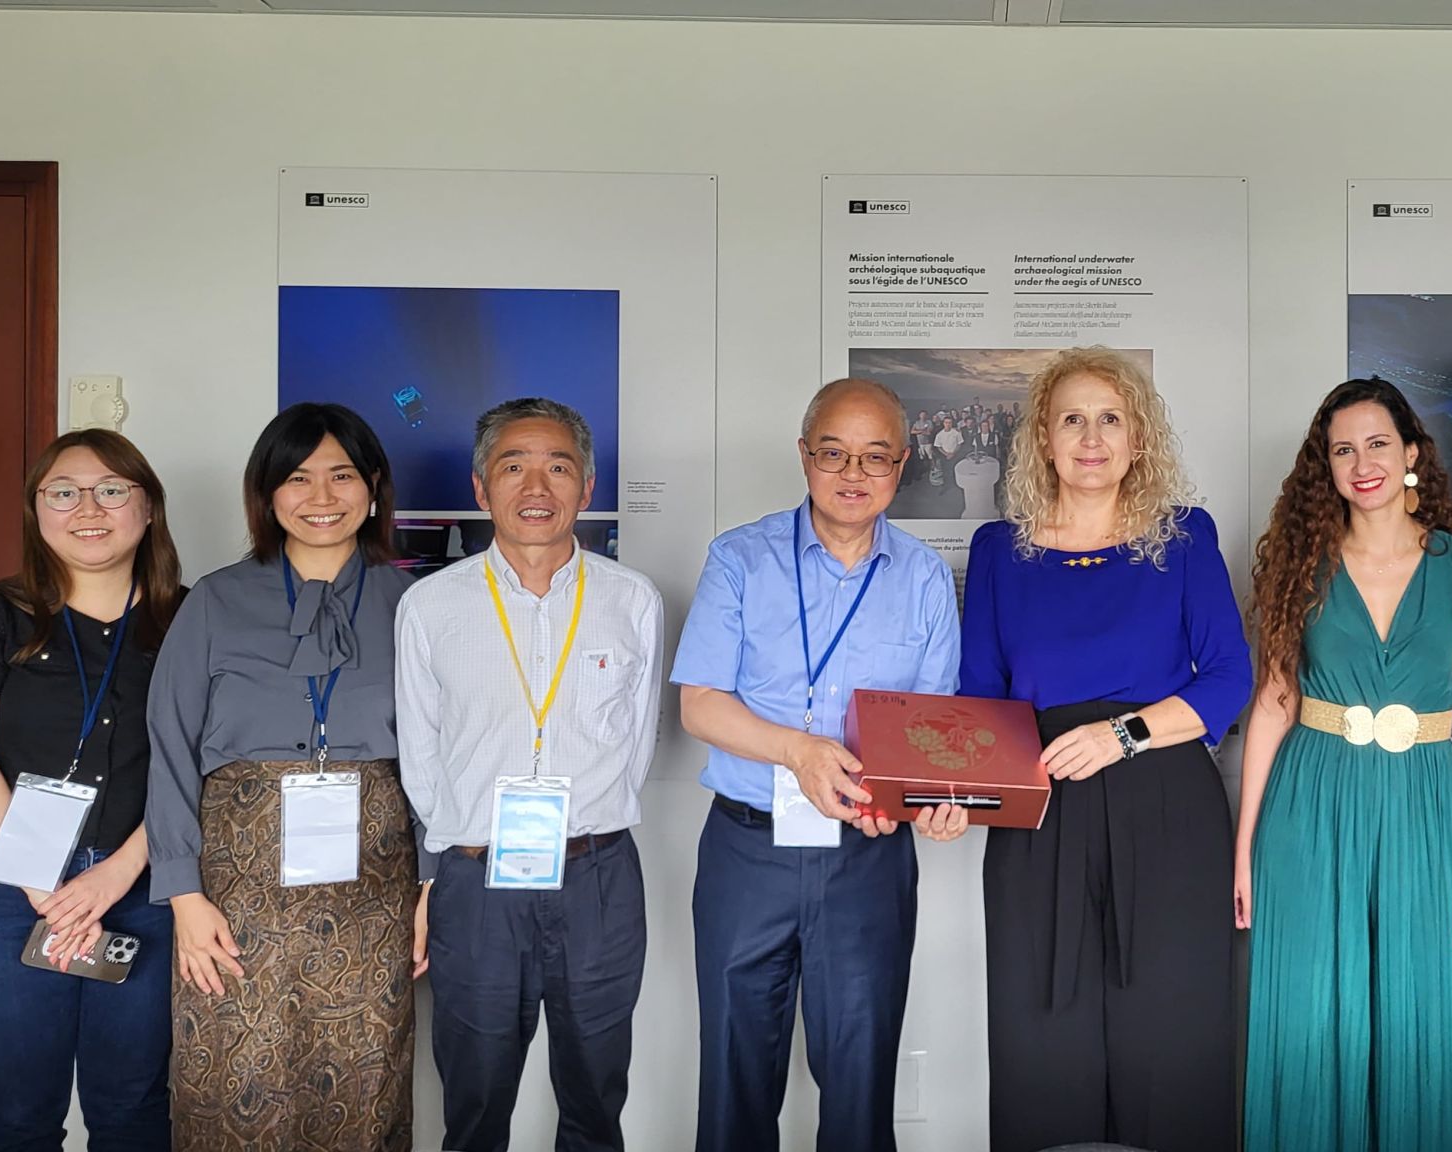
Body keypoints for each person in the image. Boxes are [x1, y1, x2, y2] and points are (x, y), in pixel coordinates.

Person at [960, 346, 1252, 1152]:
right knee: (1040, 1029)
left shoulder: (1184, 536)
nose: (1093, 437)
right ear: (1043, 440)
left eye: (1111, 418)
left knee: (1170, 1029)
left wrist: (1121, 735)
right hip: (1038, 812)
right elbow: (980, 696)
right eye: (1073, 419)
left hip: (1166, 806)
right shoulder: (997, 549)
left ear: (1139, 438)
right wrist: (958, 792)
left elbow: (1229, 678)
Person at [673, 377, 968, 1152]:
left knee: (860, 1085)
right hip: (748, 849)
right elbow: (699, 703)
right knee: (735, 1079)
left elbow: (930, 732)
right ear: (805, 457)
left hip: (866, 856)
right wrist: (797, 750)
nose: (853, 474)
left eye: (875, 458)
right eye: (834, 453)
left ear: (902, 466)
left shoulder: (926, 579)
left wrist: (928, 802)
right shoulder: (739, 559)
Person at [1237, 378, 1452, 1151]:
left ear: (1412, 452)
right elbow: (1272, 704)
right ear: (1326, 465)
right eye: (1343, 449)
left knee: (1424, 1017)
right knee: (1309, 1015)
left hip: (1425, 804)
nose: (1363, 463)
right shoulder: (1301, 563)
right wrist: (1245, 849)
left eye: (1378, 443)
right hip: (1310, 804)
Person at [146, 403, 418, 1151]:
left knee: (366, 1079)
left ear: (373, 487)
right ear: (267, 494)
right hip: (234, 890)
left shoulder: (415, 604)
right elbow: (167, 745)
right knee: (236, 1079)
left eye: (341, 475)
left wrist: (431, 888)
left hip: (375, 890)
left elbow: (440, 754)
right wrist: (183, 894)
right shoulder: (215, 600)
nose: (322, 497)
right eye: (298, 478)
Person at [395, 397, 663, 1152]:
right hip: (476, 883)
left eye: (558, 466)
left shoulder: (632, 600)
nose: (536, 485)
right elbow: (421, 754)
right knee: (475, 1101)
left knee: (595, 1093)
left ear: (587, 486)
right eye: (514, 467)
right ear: (482, 489)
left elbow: (637, 740)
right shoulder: (429, 607)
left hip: (599, 876)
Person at [0, 430, 184, 1152]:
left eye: (111, 489)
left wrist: (116, 873)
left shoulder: (191, 621)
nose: (87, 508)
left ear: (146, 507)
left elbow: (197, 767)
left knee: (133, 1109)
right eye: (63, 491)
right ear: (36, 510)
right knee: (19, 1116)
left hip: (145, 886)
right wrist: (49, 885)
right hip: (8, 891)